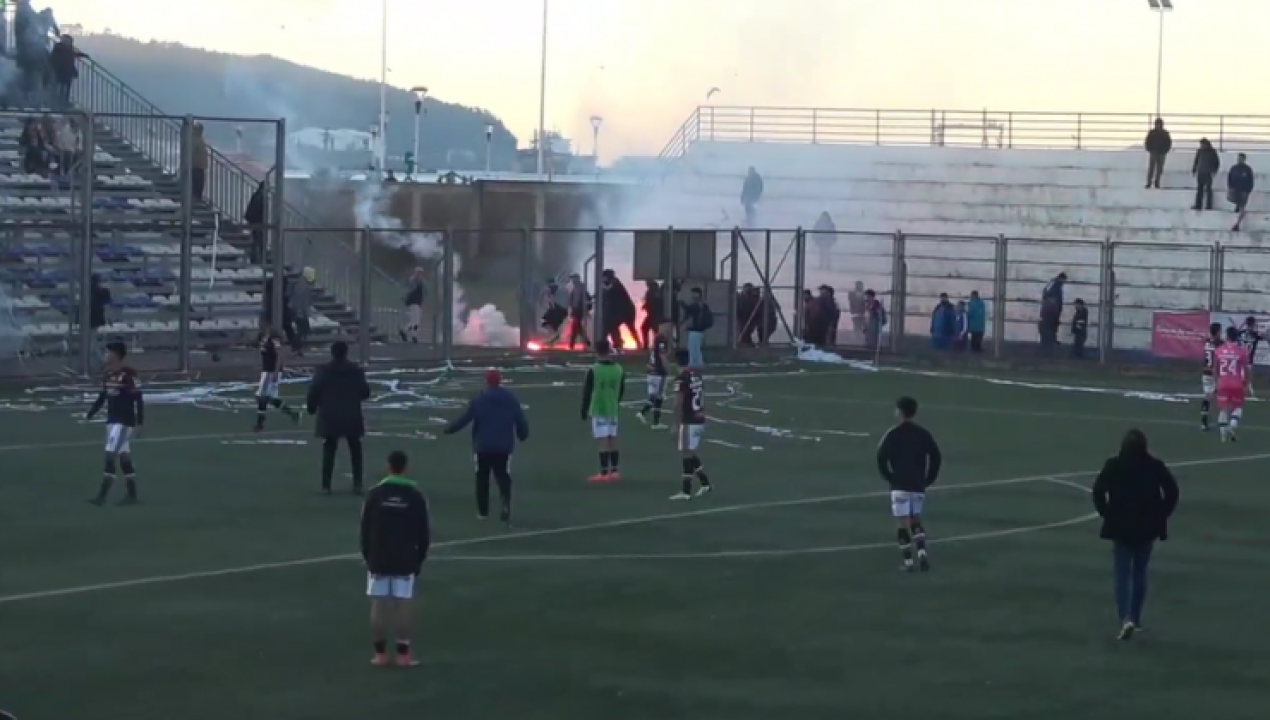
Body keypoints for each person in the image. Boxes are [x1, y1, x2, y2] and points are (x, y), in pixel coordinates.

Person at [1090, 429, 1179, 640]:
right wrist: (1162, 514)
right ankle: (1136, 618)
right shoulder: (1155, 466)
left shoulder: (1114, 465)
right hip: (1147, 527)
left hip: (1120, 526)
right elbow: (1172, 492)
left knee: (1122, 574)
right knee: (1140, 572)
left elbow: (1098, 491)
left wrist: (1107, 513)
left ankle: (1125, 618)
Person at [360, 450, 431, 667]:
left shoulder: (375, 495)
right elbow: (424, 533)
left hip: (379, 557)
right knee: (403, 604)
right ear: (406, 468)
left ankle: (380, 653)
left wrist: (368, 557)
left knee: (379, 605)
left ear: (388, 467)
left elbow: (364, 530)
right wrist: (419, 560)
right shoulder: (415, 496)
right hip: (405, 558)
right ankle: (403, 653)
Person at [443, 369, 529, 524]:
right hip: (503, 445)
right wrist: (523, 434)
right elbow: (520, 420)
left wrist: (450, 429)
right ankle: (505, 500)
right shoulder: (511, 399)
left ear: (487, 382)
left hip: (483, 445)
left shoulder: (480, 400)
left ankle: (483, 511)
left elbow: (465, 419)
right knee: (502, 474)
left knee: (482, 477)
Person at [875, 396, 942, 572]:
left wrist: (889, 476)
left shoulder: (893, 434)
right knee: (915, 519)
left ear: (900, 412)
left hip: (900, 485)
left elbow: (881, 457)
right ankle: (922, 553)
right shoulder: (923, 434)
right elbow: (936, 456)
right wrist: (929, 478)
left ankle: (908, 562)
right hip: (918, 485)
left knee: (902, 523)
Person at [307, 341, 371, 494]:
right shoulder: (356, 371)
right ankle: (357, 483)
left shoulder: (323, 371)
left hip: (329, 415)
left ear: (332, 353)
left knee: (329, 448)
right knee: (355, 449)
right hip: (352, 414)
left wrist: (311, 408)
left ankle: (326, 485)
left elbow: (314, 391)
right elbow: (365, 392)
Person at [86, 341, 145, 506]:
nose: (105, 355)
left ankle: (101, 497)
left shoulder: (129, 375)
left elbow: (138, 399)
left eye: (108, 352)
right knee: (124, 457)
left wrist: (139, 422)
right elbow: (103, 396)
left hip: (123, 422)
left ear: (116, 355)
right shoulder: (108, 374)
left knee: (110, 457)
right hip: (112, 421)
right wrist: (92, 412)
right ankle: (132, 495)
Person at [580, 339, 626, 483]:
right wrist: (616, 402)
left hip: (599, 408)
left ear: (596, 351)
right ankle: (615, 471)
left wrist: (584, 410)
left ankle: (604, 473)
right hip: (612, 408)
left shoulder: (593, 370)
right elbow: (622, 389)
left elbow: (587, 392)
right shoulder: (619, 369)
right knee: (613, 438)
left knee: (603, 440)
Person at [669, 348, 712, 500]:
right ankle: (705, 483)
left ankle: (686, 490)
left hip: (689, 419)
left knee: (686, 453)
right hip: (699, 417)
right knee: (690, 452)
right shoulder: (696, 375)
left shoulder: (682, 378)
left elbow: (678, 403)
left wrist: (676, 424)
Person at [253, 319, 300, 432]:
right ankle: (293, 414)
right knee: (270, 398)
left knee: (262, 397)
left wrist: (276, 371)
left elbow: (280, 355)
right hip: (266, 370)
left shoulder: (274, 340)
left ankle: (260, 424)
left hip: (270, 371)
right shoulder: (263, 338)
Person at [1215, 326, 1251, 443]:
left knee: (1223, 409)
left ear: (1227, 336)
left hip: (1223, 383)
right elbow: (1246, 370)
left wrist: (1217, 382)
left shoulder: (1219, 350)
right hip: (1237, 384)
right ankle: (1232, 426)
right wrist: (1246, 383)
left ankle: (1223, 436)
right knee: (1238, 407)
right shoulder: (1241, 352)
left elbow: (1215, 368)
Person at [637, 322, 673, 430]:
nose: (669, 329)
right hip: (658, 373)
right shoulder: (661, 340)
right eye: (667, 327)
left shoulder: (657, 338)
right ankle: (654, 421)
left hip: (652, 372)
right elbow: (662, 356)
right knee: (659, 397)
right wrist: (667, 369)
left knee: (654, 396)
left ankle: (643, 413)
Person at [1199, 322, 1224, 432]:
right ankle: (1221, 420)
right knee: (1220, 396)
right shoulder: (1220, 343)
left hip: (1205, 372)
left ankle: (1204, 423)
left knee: (1207, 397)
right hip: (1215, 373)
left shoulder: (1207, 342)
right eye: (1220, 331)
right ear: (1217, 332)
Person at [680, 287, 713, 367]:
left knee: (693, 347)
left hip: (696, 329)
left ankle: (694, 363)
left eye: (694, 293)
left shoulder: (699, 305)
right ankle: (697, 363)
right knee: (695, 347)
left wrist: (681, 302)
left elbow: (689, 309)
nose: (692, 295)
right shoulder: (701, 304)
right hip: (698, 329)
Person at [1227, 153, 1255, 231]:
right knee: (1238, 205)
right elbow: (1229, 178)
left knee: (1242, 207)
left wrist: (1248, 190)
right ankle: (1237, 209)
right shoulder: (1234, 168)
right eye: (1238, 158)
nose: (1239, 160)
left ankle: (1237, 224)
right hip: (1235, 190)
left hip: (1243, 191)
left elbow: (1251, 181)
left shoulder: (1247, 169)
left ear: (1244, 159)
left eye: (1241, 159)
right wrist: (1230, 187)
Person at [399, 267, 427, 343]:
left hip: (418, 303)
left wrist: (422, 304)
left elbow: (423, 294)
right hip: (414, 303)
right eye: (418, 273)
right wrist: (405, 297)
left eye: (421, 273)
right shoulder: (413, 281)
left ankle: (404, 331)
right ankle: (413, 335)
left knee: (415, 320)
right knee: (415, 320)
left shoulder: (421, 283)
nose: (420, 275)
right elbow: (409, 291)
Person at [1192, 138, 1221, 211]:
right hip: (1200, 172)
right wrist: (1194, 169)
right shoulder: (1199, 151)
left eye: (1202, 144)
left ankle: (1209, 206)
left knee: (1208, 190)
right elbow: (1196, 160)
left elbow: (1217, 162)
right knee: (1200, 190)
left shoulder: (1212, 152)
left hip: (1208, 173)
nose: (1201, 146)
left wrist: (1214, 170)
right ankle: (1198, 205)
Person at [1143, 118, 1172, 189]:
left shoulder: (1165, 133)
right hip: (1154, 152)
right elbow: (1147, 142)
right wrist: (1150, 149)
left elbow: (1168, 143)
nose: (1158, 125)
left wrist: (1165, 150)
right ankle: (1149, 182)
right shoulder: (1152, 133)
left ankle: (1157, 182)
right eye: (1157, 124)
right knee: (1151, 168)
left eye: (1159, 124)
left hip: (1162, 153)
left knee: (1159, 169)